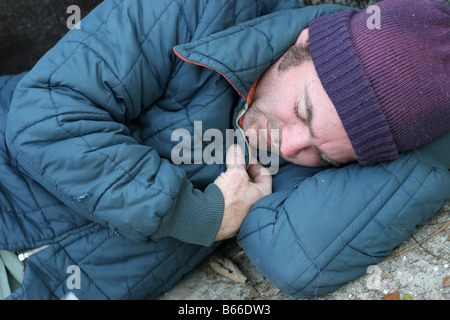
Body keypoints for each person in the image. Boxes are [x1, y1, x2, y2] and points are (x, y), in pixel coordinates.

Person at [0, 0, 448, 299]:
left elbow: (294, 254)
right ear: (306, 40)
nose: (288, 145)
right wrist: (192, 214)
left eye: (325, 155)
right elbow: (46, 117)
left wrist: (434, 151)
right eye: (304, 112)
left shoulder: (302, 153)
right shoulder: (203, 10)